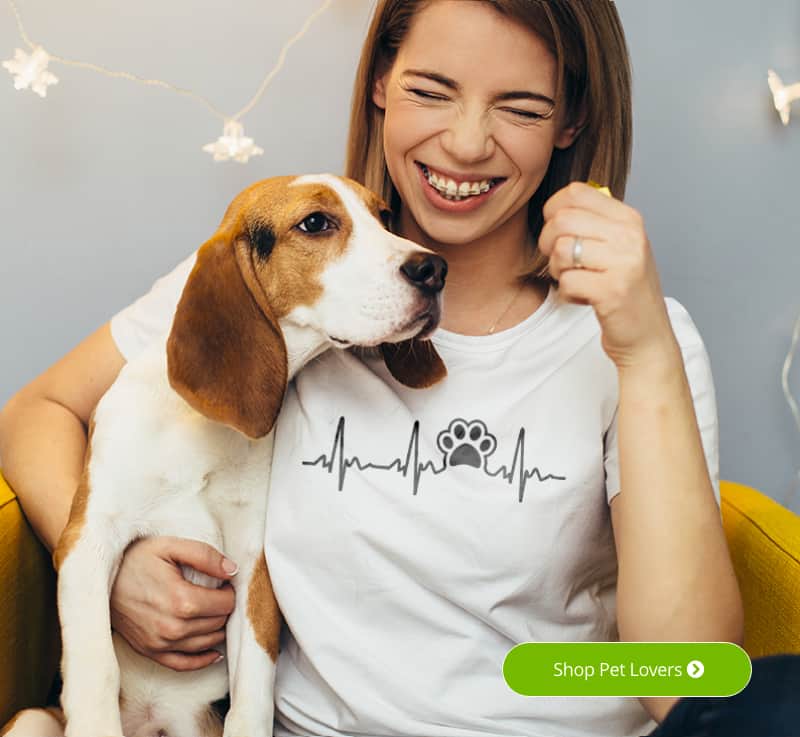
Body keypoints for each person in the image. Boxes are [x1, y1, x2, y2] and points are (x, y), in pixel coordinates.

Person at [2, 1, 798, 736]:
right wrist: (117, 571)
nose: (465, 142)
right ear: (381, 84)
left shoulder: (638, 336)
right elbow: (37, 412)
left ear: (571, 121)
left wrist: (645, 352)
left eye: (521, 107)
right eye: (432, 89)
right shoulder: (274, 280)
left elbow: (688, 675)